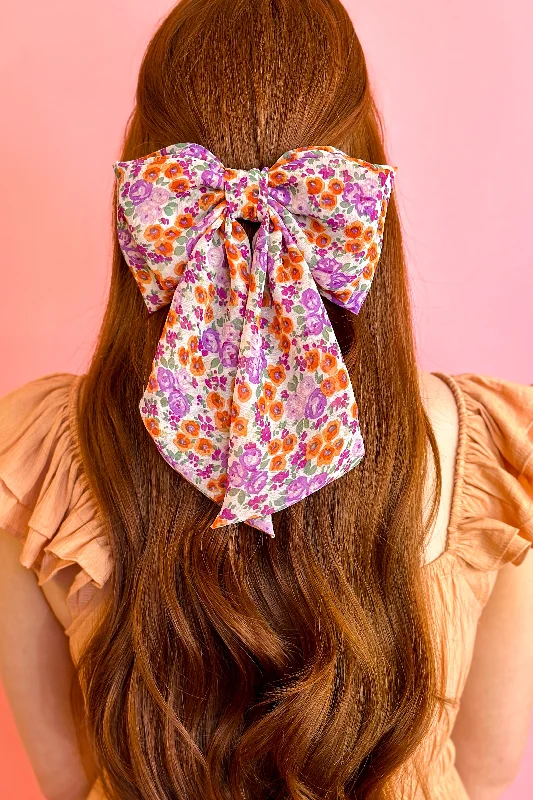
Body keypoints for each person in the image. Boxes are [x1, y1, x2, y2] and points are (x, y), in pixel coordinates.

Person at [0, 1, 532, 798]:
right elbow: (486, 776)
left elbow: (67, 781)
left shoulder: (32, 450)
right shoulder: (488, 448)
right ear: (362, 176)